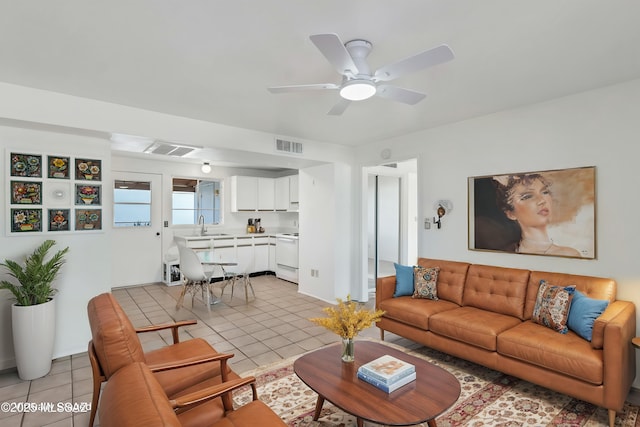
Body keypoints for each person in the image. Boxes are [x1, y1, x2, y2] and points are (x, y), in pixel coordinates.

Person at [493, 174, 581, 257]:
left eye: (545, 192)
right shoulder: (505, 254)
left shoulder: (569, 254)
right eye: (528, 196)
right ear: (510, 214)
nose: (542, 200)